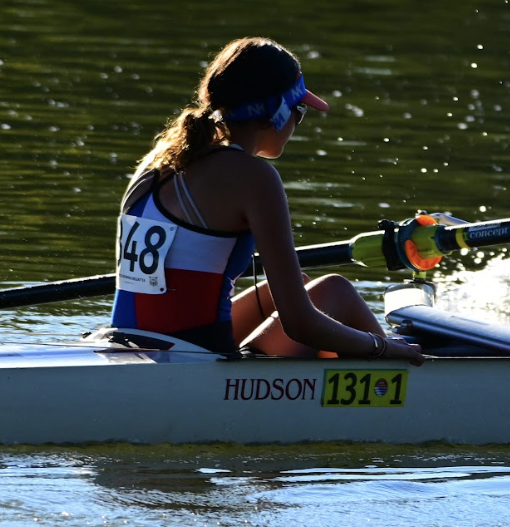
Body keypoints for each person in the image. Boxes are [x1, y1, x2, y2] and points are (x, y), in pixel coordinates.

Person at [111, 37, 423, 362]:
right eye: (298, 111)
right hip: (196, 358)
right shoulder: (254, 177)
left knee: (297, 287)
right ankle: (402, 376)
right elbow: (300, 324)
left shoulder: (160, 159)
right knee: (334, 291)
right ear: (275, 113)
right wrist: (383, 347)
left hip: (126, 341)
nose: (297, 123)